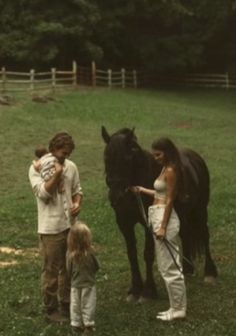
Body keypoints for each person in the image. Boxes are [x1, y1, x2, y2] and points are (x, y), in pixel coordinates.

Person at [28, 132, 83, 323]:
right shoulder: (37, 168)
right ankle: (50, 310)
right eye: (62, 153)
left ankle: (66, 305)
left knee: (68, 269)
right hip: (50, 228)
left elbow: (77, 191)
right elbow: (43, 194)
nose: (64, 157)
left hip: (70, 225)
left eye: (68, 154)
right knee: (51, 271)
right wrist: (58, 172)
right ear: (52, 149)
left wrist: (77, 203)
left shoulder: (72, 167)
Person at [131, 137, 187, 321]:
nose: (155, 158)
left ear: (167, 152)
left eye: (158, 154)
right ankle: (175, 306)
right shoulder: (165, 168)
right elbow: (161, 193)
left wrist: (163, 226)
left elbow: (170, 199)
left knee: (170, 267)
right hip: (157, 214)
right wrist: (143, 190)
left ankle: (178, 309)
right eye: (154, 154)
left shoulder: (171, 170)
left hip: (165, 217)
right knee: (165, 267)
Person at [66, 221, 99, 334]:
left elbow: (68, 270)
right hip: (89, 283)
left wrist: (71, 277)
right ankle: (88, 324)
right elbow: (96, 266)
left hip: (75, 284)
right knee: (88, 304)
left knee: (75, 304)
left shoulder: (70, 255)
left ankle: (76, 324)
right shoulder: (91, 252)